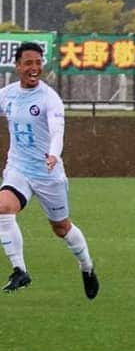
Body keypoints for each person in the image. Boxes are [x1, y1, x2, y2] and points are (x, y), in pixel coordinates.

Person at [0, 41, 99, 299]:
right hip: (18, 169)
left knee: (61, 228)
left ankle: (87, 266)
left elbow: (57, 131)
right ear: (18, 66)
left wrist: (54, 154)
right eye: (28, 63)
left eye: (38, 63)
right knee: (2, 208)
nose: (34, 68)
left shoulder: (49, 98)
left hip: (47, 173)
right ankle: (20, 270)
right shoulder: (7, 94)